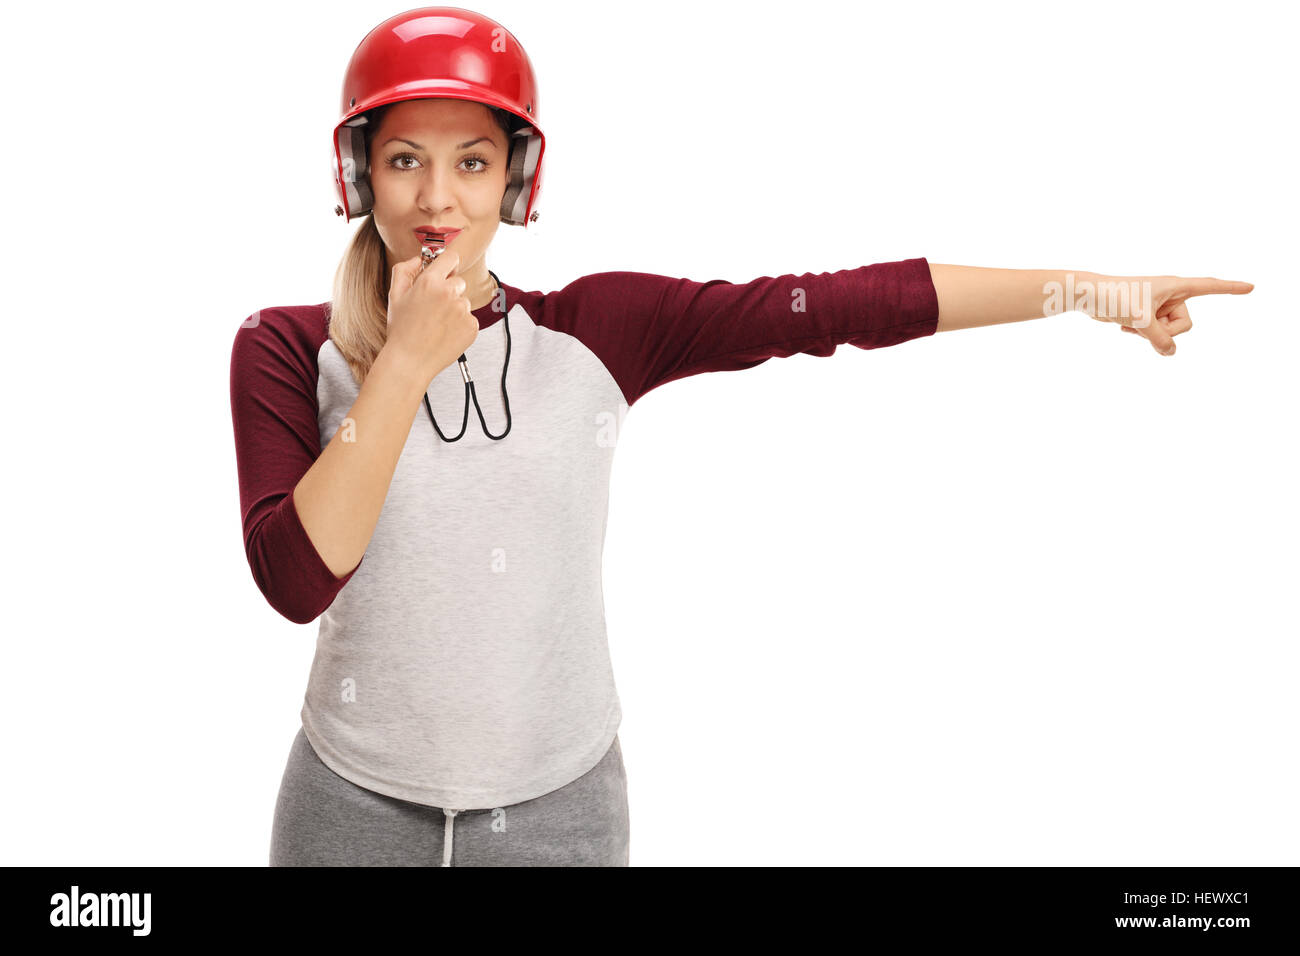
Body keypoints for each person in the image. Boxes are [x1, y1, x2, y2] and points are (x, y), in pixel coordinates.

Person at [228, 7, 1254, 867]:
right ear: (360, 173)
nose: (437, 197)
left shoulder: (597, 331)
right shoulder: (283, 347)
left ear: (515, 179)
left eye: (473, 160)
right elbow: (295, 581)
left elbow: (842, 304)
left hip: (557, 810)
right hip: (348, 806)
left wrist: (1089, 292)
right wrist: (402, 364)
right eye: (404, 159)